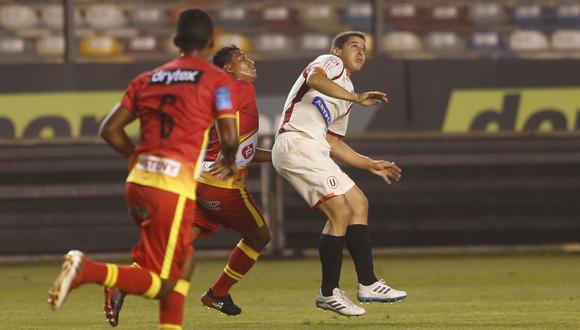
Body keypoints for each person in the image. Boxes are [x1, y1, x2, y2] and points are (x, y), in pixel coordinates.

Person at [47, 9, 239, 330]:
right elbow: (230, 137)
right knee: (162, 282)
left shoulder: (147, 78)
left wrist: (138, 158)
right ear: (211, 41)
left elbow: (109, 130)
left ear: (176, 41)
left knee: (185, 259)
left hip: (137, 183)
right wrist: (230, 160)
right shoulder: (217, 80)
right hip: (171, 189)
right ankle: (89, 271)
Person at [103, 45, 272, 326]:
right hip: (221, 184)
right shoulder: (238, 87)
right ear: (228, 69)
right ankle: (217, 294)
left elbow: (244, 148)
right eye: (242, 58)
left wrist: (277, 156)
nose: (250, 61)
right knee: (259, 237)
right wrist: (227, 153)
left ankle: (120, 282)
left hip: (197, 180)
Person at [271, 31, 407, 317]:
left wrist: (369, 163)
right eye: (354, 46)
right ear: (337, 50)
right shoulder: (331, 65)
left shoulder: (346, 94)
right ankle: (328, 292)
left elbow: (334, 142)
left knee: (358, 203)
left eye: (365, 49)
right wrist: (356, 97)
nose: (361, 52)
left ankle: (368, 283)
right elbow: (314, 79)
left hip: (316, 147)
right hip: (296, 142)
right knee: (340, 211)